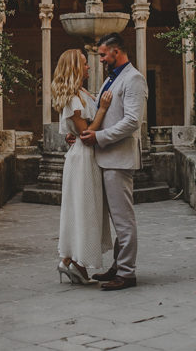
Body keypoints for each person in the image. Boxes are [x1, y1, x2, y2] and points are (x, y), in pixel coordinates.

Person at [79, 32, 147, 291]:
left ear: (117, 52)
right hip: (106, 158)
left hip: (119, 159)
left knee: (123, 220)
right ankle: (119, 266)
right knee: (118, 219)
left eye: (104, 54)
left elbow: (132, 121)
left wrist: (99, 137)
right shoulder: (111, 79)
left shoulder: (134, 79)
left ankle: (127, 273)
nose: (101, 59)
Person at [51, 48, 114, 285]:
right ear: (76, 68)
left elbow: (77, 131)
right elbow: (87, 132)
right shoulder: (74, 98)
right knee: (84, 209)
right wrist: (104, 109)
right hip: (83, 158)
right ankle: (75, 262)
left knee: (87, 209)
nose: (89, 67)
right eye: (85, 64)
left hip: (86, 155)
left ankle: (68, 262)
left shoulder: (81, 92)